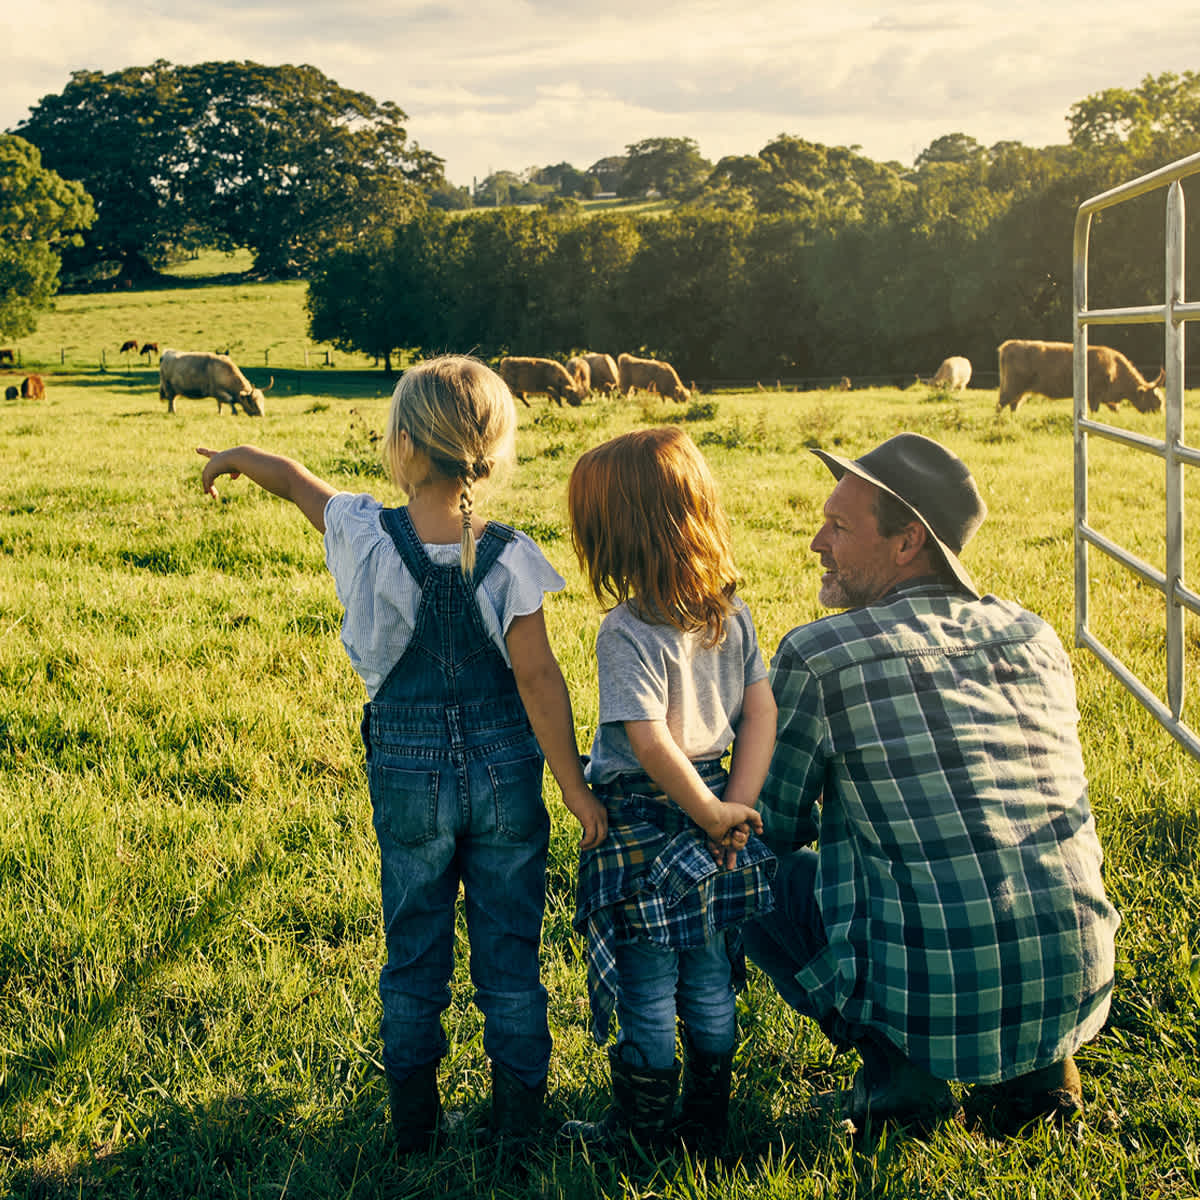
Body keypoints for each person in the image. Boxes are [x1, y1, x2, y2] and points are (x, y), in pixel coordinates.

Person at [198, 354, 607, 1155]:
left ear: (404, 444)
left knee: (414, 947)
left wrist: (235, 459)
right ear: (492, 446)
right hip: (506, 772)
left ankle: (414, 1128)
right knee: (510, 957)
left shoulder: (361, 531)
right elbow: (538, 677)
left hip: (407, 771)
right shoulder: (512, 554)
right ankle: (520, 1127)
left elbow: (294, 481)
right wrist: (576, 789)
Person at [743, 432, 1119, 1133]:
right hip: (1078, 982)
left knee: (737, 865)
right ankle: (1040, 1074)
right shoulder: (1034, 635)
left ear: (908, 540)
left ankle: (901, 1073)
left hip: (935, 999)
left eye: (839, 527)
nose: (817, 543)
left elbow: (772, 824)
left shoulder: (821, 654)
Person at [559, 427, 778, 1151]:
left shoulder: (626, 631)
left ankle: (643, 1128)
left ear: (616, 536)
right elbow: (759, 712)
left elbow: (649, 744)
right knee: (711, 973)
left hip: (648, 824)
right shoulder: (732, 612)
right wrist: (731, 809)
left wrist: (714, 812)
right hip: (715, 810)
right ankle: (708, 1120)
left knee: (648, 984)